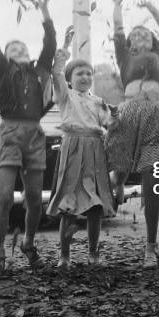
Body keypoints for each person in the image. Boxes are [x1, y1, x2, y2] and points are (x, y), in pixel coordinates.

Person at [0, 0, 56, 278]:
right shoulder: (3, 71)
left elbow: (51, 44)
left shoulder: (39, 70)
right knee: (5, 196)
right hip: (9, 132)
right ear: (6, 58)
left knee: (34, 198)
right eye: (12, 49)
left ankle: (29, 244)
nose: (18, 50)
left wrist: (45, 14)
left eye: (22, 47)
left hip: (34, 134)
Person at [104, 0, 159, 268]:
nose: (140, 36)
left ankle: (151, 247)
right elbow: (118, 30)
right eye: (136, 35)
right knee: (117, 151)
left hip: (155, 112)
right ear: (130, 44)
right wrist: (117, 4)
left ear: (152, 42)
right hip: (130, 109)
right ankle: (118, 181)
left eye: (145, 34)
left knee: (151, 181)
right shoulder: (125, 57)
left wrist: (151, 9)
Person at [47, 29, 116, 268]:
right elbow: (55, 70)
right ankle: (64, 257)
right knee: (68, 205)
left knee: (95, 205)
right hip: (73, 150)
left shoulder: (98, 102)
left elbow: (111, 125)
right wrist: (66, 45)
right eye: (79, 73)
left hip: (95, 153)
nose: (85, 77)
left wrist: (116, 122)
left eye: (89, 73)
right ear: (69, 79)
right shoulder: (65, 96)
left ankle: (93, 254)